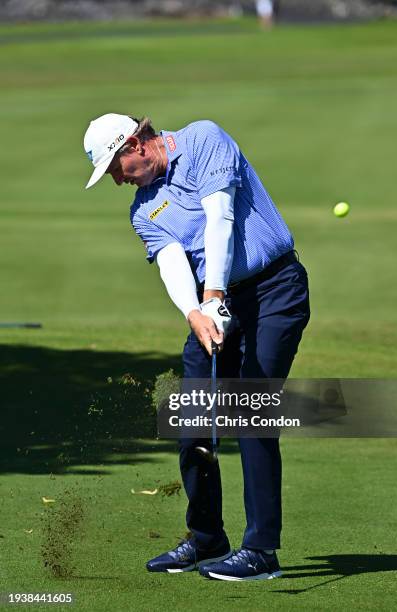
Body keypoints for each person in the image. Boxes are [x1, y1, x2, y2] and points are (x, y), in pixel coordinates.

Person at [83, 113, 310, 581]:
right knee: (190, 414)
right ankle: (207, 536)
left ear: (138, 144)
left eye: (116, 168)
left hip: (274, 290)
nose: (118, 181)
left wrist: (214, 295)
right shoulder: (143, 210)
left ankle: (262, 550)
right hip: (212, 302)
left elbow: (219, 217)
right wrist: (195, 312)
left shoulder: (203, 139)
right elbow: (171, 264)